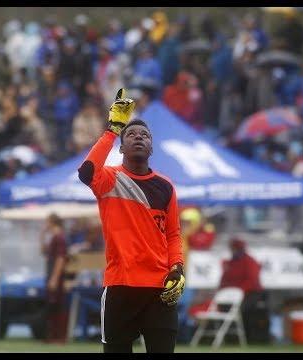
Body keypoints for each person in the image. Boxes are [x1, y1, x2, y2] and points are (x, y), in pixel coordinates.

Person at [77, 89, 185, 353]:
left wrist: (178, 268)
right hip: (120, 286)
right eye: (132, 134)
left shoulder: (166, 186)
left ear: (151, 148)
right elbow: (86, 171)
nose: (139, 137)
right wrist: (113, 129)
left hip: (159, 289)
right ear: (121, 147)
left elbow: (172, 234)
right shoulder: (108, 180)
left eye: (145, 135)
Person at [39, 213, 68, 343]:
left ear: (52, 222)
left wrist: (54, 278)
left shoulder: (59, 238)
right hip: (51, 274)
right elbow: (43, 251)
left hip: (56, 276)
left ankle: (59, 337)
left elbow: (60, 259)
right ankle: (52, 336)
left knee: (57, 305)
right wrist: (41, 236)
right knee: (52, 305)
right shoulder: (54, 237)